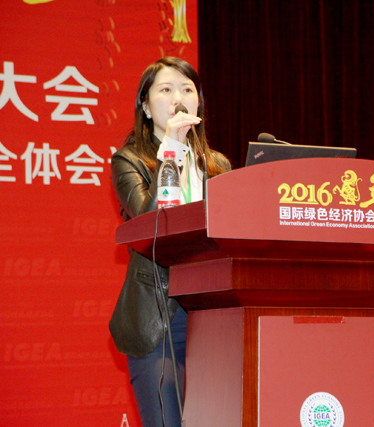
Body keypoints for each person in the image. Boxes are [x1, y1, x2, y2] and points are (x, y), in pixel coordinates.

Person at [109, 57, 231, 427]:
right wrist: (172, 154)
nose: (178, 97)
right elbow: (149, 226)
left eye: (187, 89)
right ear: (146, 108)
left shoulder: (217, 166)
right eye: (166, 89)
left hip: (214, 316)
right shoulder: (129, 160)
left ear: (198, 104)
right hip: (160, 317)